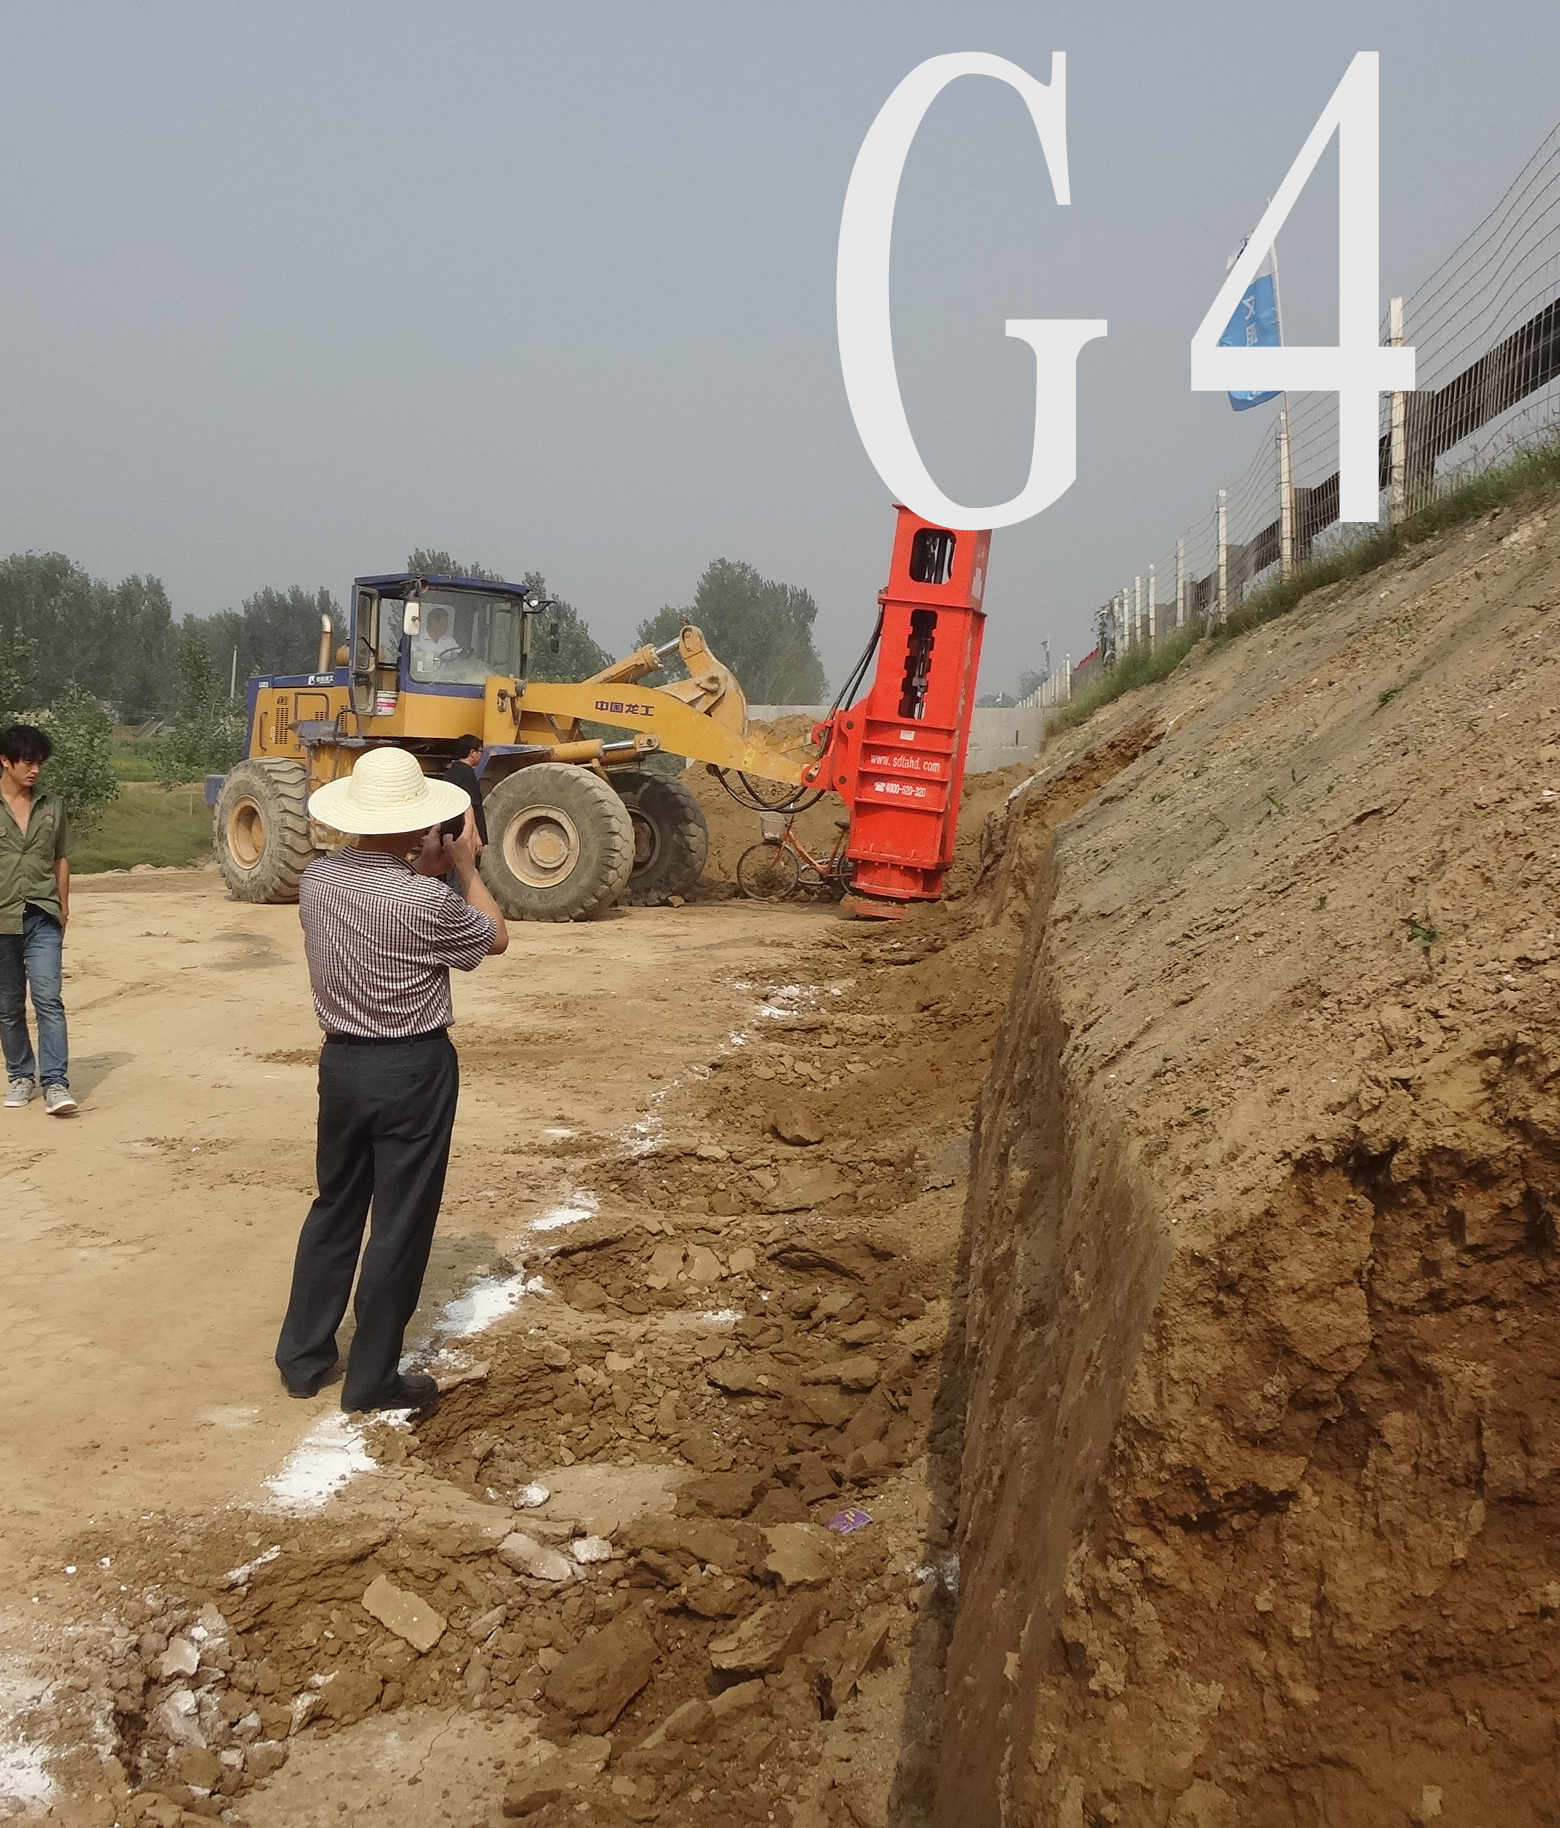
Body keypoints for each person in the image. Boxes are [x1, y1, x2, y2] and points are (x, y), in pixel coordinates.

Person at [273, 745, 509, 1415]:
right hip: (412, 1065)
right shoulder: (423, 898)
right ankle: (372, 1376)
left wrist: (424, 868)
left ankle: (303, 1356)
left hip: (342, 1063)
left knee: (335, 1206)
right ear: (421, 825)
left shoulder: (318, 880)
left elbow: (377, 899)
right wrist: (462, 868)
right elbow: (493, 938)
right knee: (399, 1221)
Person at [1, 724, 76, 1116]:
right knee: (9, 1005)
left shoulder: (52, 805)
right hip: (2, 919)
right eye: (28, 762)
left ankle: (55, 1083)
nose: (35, 771)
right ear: (5, 761)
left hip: (43, 916)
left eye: (39, 763)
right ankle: (20, 1076)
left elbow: (60, 858)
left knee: (49, 1000)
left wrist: (63, 908)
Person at [442, 736, 488, 849]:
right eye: (481, 751)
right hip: (463, 835)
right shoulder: (467, 774)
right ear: (472, 752)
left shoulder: (452, 771)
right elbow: (470, 806)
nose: (481, 755)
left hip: (450, 832)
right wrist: (476, 835)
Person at [411, 605, 460, 677]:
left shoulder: (450, 641)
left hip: (445, 679)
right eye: (443, 624)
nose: (446, 627)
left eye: (447, 624)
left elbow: (458, 658)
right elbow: (413, 662)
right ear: (432, 622)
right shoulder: (416, 640)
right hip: (420, 680)